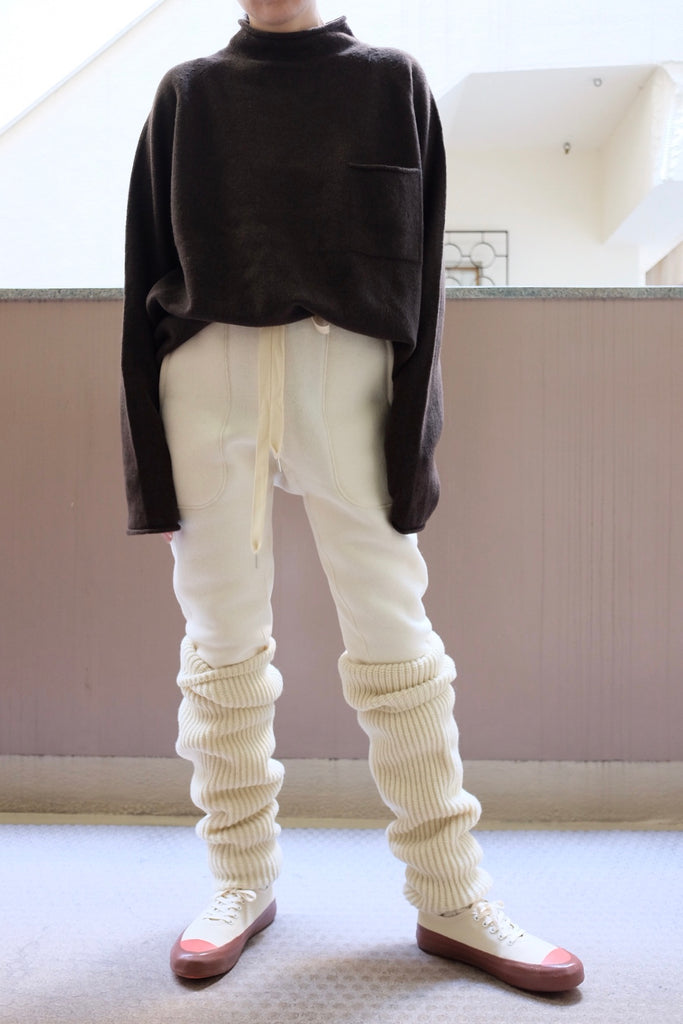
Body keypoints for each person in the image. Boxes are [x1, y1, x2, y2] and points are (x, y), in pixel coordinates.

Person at [120, 0, 584, 994]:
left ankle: (450, 895)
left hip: (349, 381)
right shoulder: (188, 95)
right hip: (205, 380)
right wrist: (149, 467)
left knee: (394, 634)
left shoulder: (390, 83)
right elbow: (142, 277)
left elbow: (421, 287)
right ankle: (238, 881)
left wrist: (414, 444)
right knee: (220, 637)